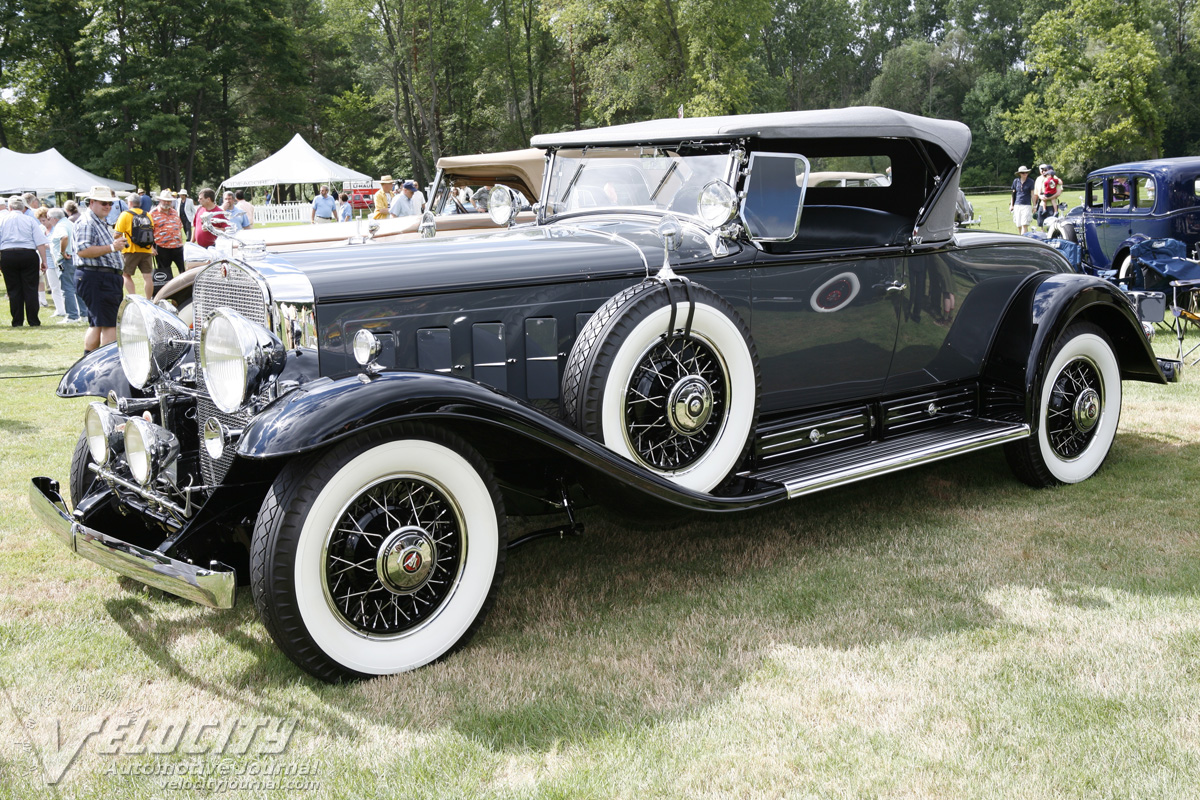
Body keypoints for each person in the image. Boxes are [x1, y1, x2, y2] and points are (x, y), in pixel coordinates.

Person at [74, 186, 128, 351]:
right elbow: (83, 250)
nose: (108, 207)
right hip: (97, 278)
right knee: (109, 325)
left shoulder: (97, 221)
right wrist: (112, 247)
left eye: (110, 204)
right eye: (104, 203)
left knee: (98, 324)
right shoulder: (87, 222)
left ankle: (90, 362)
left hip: (100, 278)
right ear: (92, 203)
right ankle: (107, 366)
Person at [0, 195, 49, 326]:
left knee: (13, 289)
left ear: (9, 207)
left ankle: (17, 321)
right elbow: (40, 242)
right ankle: (33, 320)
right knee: (31, 288)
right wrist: (44, 261)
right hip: (28, 254)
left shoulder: (2, 220)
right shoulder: (30, 220)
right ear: (23, 208)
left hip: (8, 254)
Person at [114, 191, 156, 299]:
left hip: (130, 250)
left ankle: (135, 298)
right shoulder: (148, 215)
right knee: (147, 277)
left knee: (126, 275)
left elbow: (117, 234)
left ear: (130, 203)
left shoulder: (125, 214)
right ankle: (148, 300)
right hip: (146, 250)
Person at [48, 208, 83, 323]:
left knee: (66, 287)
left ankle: (72, 315)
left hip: (65, 259)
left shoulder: (60, 226)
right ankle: (84, 314)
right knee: (77, 287)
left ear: (54, 218)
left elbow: (64, 237)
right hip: (75, 258)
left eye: (48, 219)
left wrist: (62, 252)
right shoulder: (70, 223)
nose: (48, 221)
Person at [35, 207, 66, 315]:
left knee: (63, 285)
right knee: (53, 286)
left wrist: (44, 245)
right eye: (41, 220)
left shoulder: (56, 229)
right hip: (47, 260)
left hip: (57, 259)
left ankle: (67, 308)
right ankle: (59, 309)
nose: (42, 223)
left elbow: (55, 244)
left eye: (44, 220)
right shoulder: (41, 229)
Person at [149, 189, 185, 280]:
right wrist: (151, 247)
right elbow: (148, 232)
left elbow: (179, 226)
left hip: (178, 247)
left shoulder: (174, 212)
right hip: (162, 248)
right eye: (164, 200)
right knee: (164, 275)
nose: (167, 203)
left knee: (183, 272)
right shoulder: (152, 213)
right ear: (160, 200)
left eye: (169, 201)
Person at [1010, 165, 1035, 235]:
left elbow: (1032, 194)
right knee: (1019, 225)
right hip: (1017, 205)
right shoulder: (1015, 181)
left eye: (1026, 173)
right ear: (1020, 174)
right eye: (1023, 173)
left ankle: (1024, 240)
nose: (1025, 174)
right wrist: (1011, 205)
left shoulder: (1031, 182)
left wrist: (1035, 206)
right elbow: (1013, 194)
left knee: (1025, 224)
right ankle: (1022, 238)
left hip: (1026, 205)